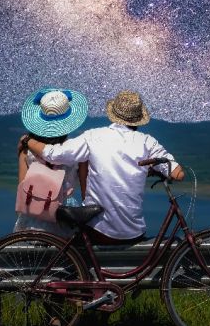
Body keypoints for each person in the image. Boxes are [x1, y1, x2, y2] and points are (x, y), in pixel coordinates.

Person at [21, 90, 184, 245]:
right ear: (138, 118)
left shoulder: (93, 136)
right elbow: (178, 174)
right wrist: (153, 170)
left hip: (97, 231)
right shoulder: (148, 142)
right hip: (133, 233)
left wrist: (27, 141)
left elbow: (53, 154)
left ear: (113, 113)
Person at [14, 87, 89, 237]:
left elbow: (22, 185)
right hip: (63, 219)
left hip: (32, 219)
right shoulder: (76, 150)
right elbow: (86, 192)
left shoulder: (26, 147)